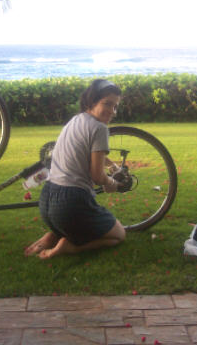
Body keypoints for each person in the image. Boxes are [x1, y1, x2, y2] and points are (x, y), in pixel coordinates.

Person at [24, 79, 126, 259]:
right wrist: (113, 184)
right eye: (107, 104)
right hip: (70, 205)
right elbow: (97, 176)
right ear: (92, 102)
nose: (112, 111)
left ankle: (54, 235)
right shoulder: (100, 128)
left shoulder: (76, 120)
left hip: (48, 201)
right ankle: (71, 247)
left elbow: (88, 150)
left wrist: (110, 164)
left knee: (72, 225)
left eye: (115, 106)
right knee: (119, 235)